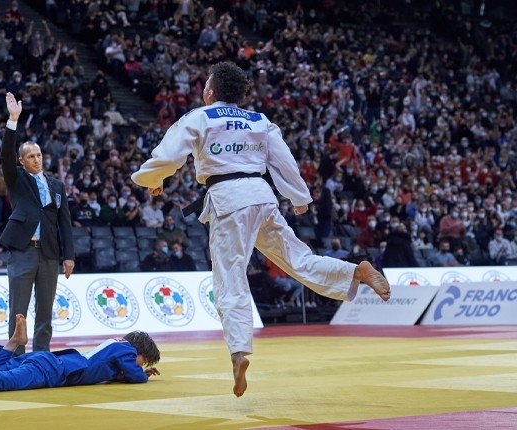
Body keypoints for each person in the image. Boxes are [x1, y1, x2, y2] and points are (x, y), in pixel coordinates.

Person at [131, 61, 390, 398]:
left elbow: (168, 156)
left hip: (228, 200)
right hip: (262, 197)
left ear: (210, 91)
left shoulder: (200, 117)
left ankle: (239, 353)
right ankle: (356, 271)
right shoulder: (259, 121)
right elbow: (284, 162)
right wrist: (299, 197)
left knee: (230, 277)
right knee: (299, 260)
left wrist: (152, 180)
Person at [0, 92, 75, 355]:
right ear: (21, 161)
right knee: (18, 309)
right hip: (23, 251)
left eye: (38, 155)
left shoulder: (57, 186)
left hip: (49, 253)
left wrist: (69, 256)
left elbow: (65, 223)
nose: (36, 159)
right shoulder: (17, 179)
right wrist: (13, 120)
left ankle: (41, 355)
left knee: (45, 310)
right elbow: (6, 156)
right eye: (30, 156)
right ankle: (16, 358)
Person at [0, 314, 160, 396]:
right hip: (53, 371)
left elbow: (112, 371)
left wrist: (129, 372)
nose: (140, 364)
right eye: (144, 360)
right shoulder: (127, 351)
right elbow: (134, 374)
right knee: (8, 381)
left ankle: (14, 343)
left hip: (48, 360)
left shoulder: (116, 344)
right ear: (139, 351)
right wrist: (142, 374)